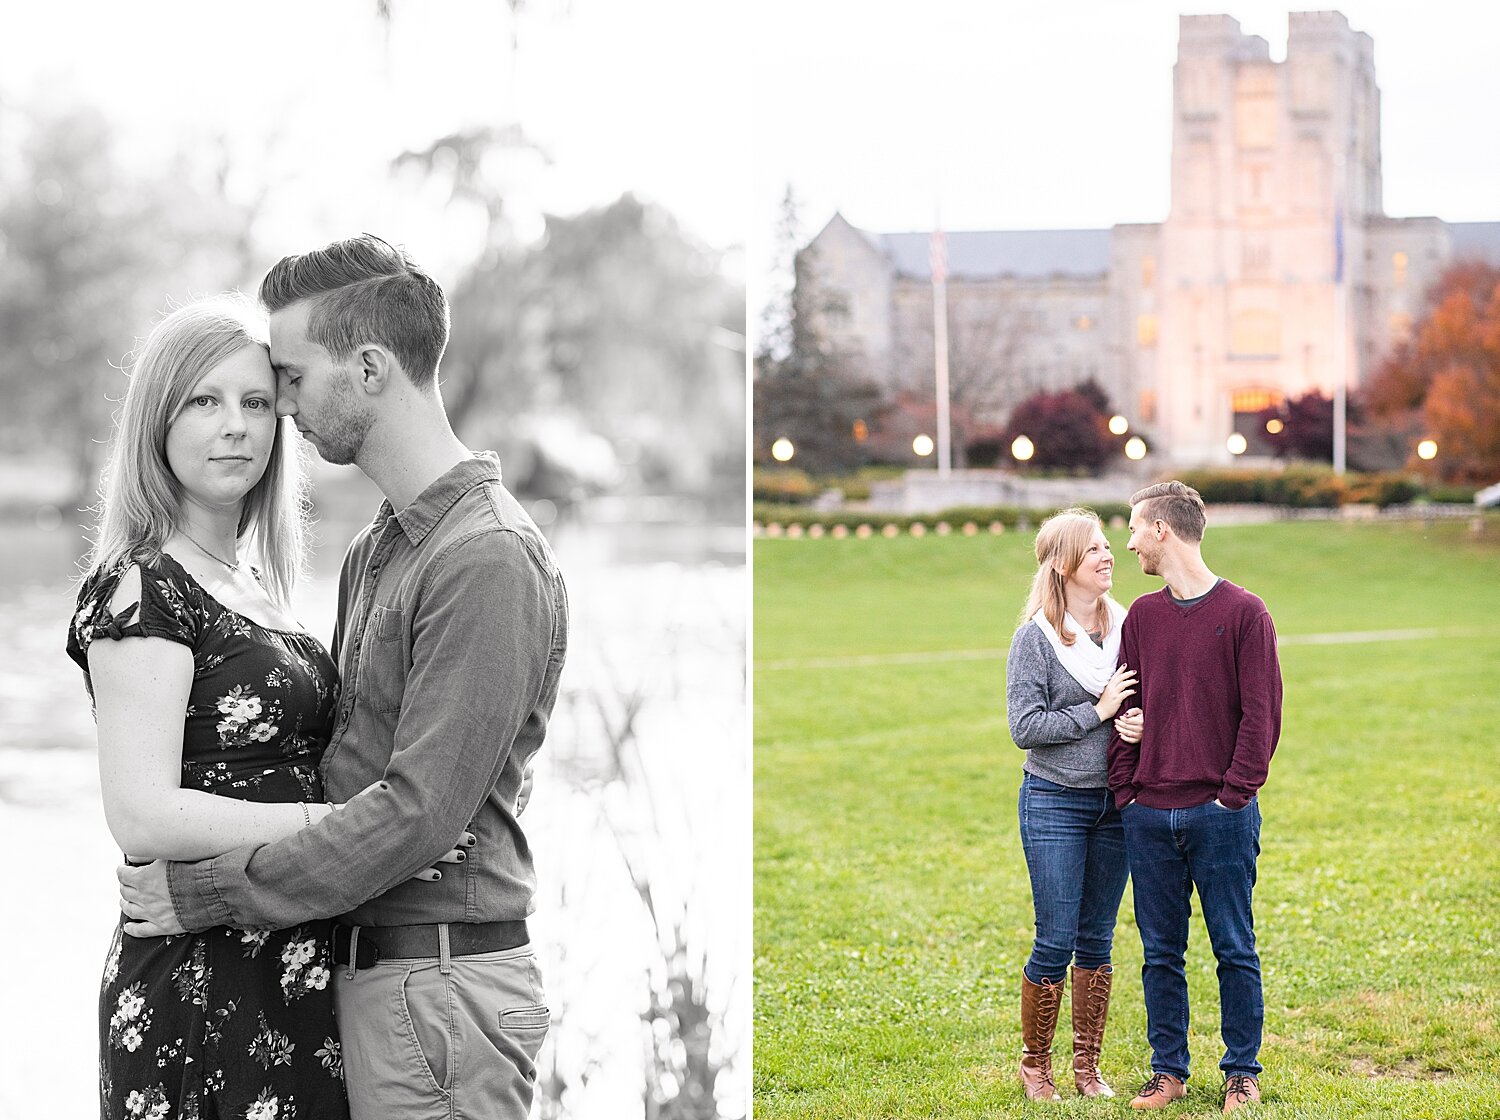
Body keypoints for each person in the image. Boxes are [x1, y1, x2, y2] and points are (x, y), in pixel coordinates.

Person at [117, 234, 570, 1120]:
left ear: (367, 369)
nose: (275, 409)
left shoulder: (485, 558)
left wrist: (203, 891)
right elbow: (347, 775)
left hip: (440, 984)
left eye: (287, 377)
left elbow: (414, 815)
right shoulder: (381, 549)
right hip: (366, 978)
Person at [66, 299, 352, 1119]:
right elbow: (143, 815)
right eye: (205, 401)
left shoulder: (259, 586)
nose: (237, 426)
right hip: (199, 980)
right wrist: (343, 822)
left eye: (256, 402)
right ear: (158, 421)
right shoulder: (143, 586)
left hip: (293, 965)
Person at [1108, 481, 1281, 1114]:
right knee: (1160, 955)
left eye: (1133, 529)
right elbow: (1125, 705)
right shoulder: (1143, 618)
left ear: (1161, 530)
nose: (1127, 542)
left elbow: (1262, 718)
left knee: (1233, 947)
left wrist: (1233, 796)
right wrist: (1128, 792)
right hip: (1148, 814)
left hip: (1220, 815)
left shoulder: (1245, 613)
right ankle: (1168, 1071)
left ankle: (1241, 1073)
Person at [1005, 508, 1142, 1101]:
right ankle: (1036, 1065)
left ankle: (1087, 1069)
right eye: (1095, 551)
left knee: (1098, 939)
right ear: (1063, 565)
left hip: (1115, 804)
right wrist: (1100, 711)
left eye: (1110, 546)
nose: (1109, 556)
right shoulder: (1034, 639)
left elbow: (1142, 700)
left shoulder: (1127, 627)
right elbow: (1024, 726)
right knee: (1055, 939)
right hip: (1055, 801)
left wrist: (1136, 723)